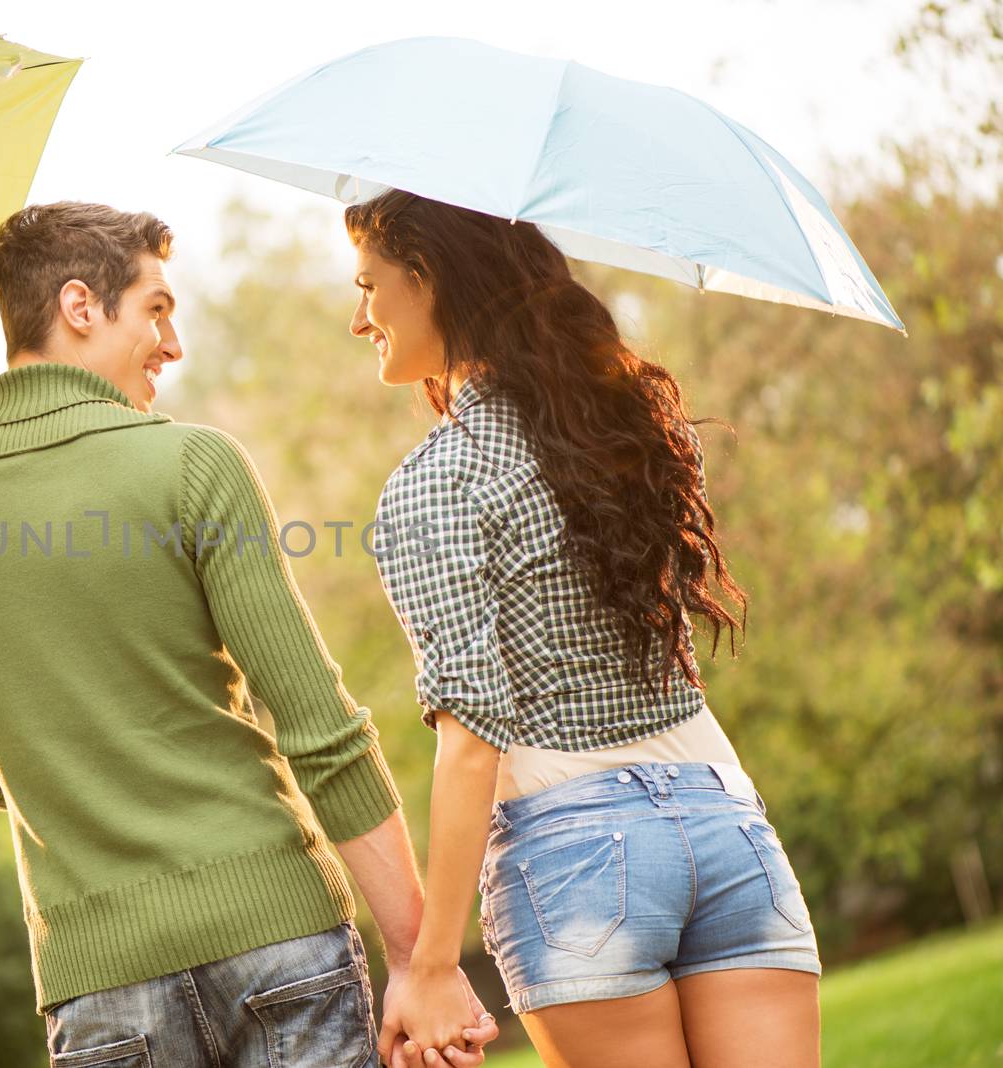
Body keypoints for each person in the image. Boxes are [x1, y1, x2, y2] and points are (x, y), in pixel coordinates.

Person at [0, 201, 498, 1066]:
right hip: (279, 937)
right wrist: (420, 962)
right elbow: (322, 730)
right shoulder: (194, 464)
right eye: (156, 309)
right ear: (80, 307)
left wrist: (85, 765)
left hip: (100, 988)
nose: (174, 343)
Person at [345, 189, 823, 1068]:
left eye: (369, 285)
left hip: (576, 855)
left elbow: (473, 736)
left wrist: (434, 964)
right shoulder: (628, 433)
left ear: (427, 280)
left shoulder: (434, 481)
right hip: (724, 822)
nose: (358, 316)